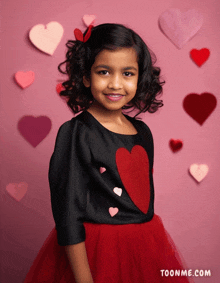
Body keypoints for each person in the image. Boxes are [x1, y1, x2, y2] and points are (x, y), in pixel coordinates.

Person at [24, 23, 193, 283]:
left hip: (146, 248)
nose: (115, 84)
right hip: (94, 255)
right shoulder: (76, 133)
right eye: (104, 71)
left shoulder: (142, 132)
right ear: (85, 76)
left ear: (140, 78)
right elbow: (67, 212)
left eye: (127, 73)